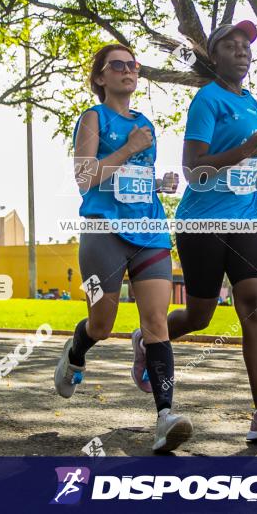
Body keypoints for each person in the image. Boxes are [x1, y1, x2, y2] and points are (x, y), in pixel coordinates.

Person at [142, 20, 257, 443]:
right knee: (200, 315)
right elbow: (194, 170)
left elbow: (248, 163)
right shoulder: (206, 101)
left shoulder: (253, 105)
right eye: (231, 44)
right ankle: (149, 338)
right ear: (215, 57)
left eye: (245, 44)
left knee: (254, 305)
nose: (241, 49)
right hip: (202, 223)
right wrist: (247, 149)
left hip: (247, 220)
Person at [54, 43, 192, 453]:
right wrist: (130, 148)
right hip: (104, 232)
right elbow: (85, 177)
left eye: (133, 65)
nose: (129, 70)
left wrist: (157, 184)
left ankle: (165, 416)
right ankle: (76, 351)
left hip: (148, 230)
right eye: (118, 65)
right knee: (102, 323)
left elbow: (129, 181)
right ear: (100, 77)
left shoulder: (146, 123)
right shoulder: (93, 118)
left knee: (157, 321)